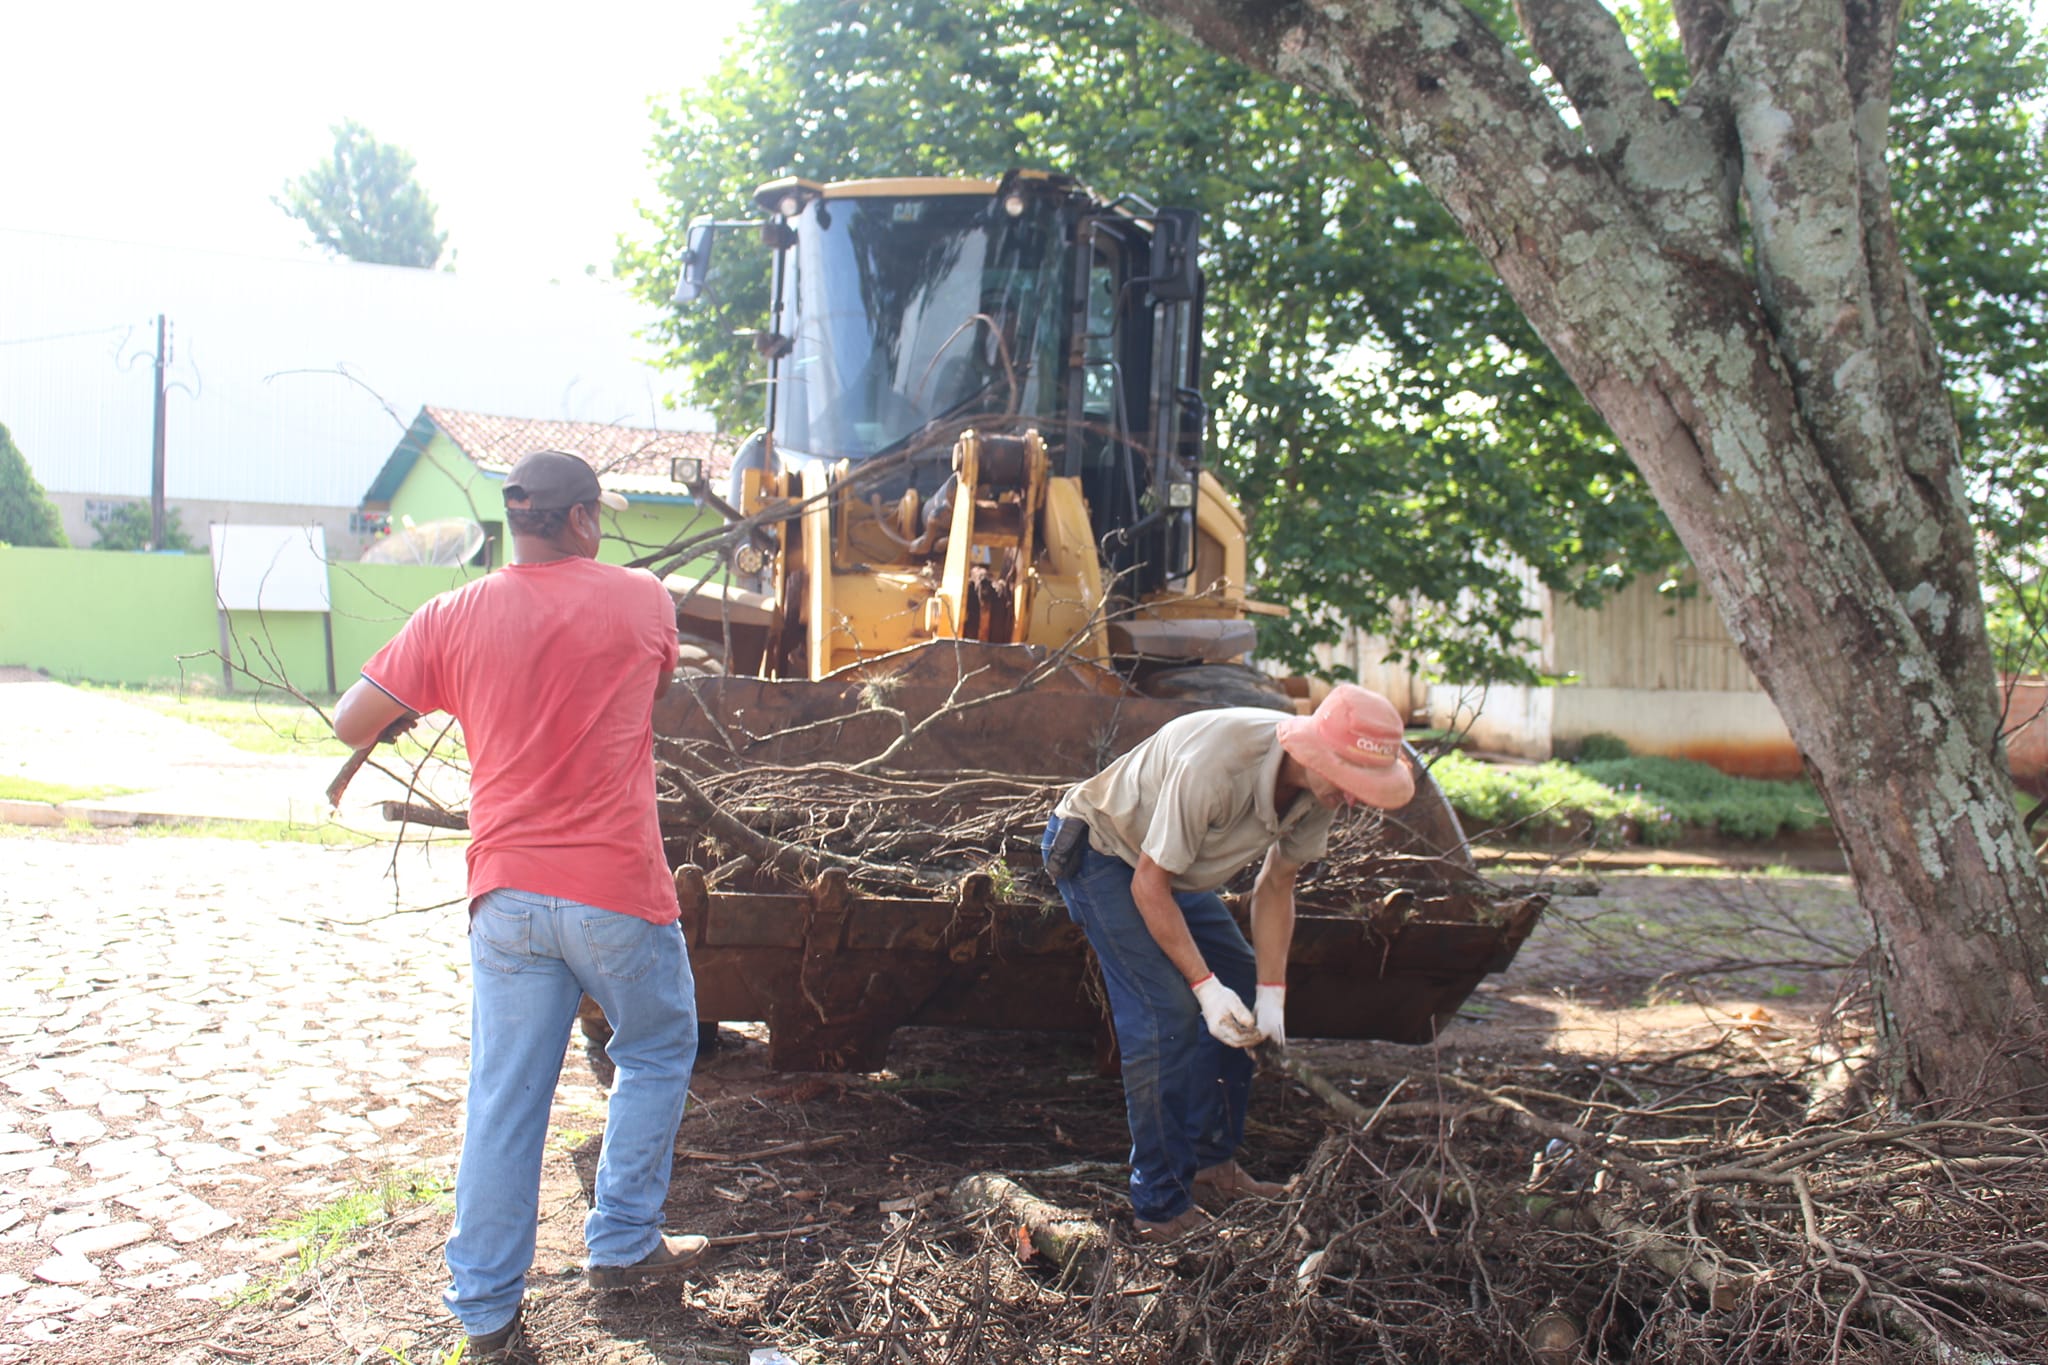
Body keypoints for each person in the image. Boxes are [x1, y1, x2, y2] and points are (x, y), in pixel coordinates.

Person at [333, 450, 705, 1361]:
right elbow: (650, 691)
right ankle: (621, 1242)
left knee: (505, 1099)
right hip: (617, 893)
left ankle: (488, 1315)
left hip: (506, 897)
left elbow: (351, 720)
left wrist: (424, 699)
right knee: (657, 1045)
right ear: (580, 520)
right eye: (600, 517)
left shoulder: (453, 614)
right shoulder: (641, 601)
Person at [1040, 684, 1418, 1243]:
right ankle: (1160, 1207)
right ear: (1316, 753)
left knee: (1240, 977)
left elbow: (1275, 886)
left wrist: (1271, 993)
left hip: (1171, 868)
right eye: (1350, 782)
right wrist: (1203, 988)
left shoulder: (1321, 791)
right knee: (1165, 1013)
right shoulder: (1217, 765)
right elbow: (1149, 886)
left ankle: (1213, 1163)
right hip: (1104, 853)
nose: (1353, 798)